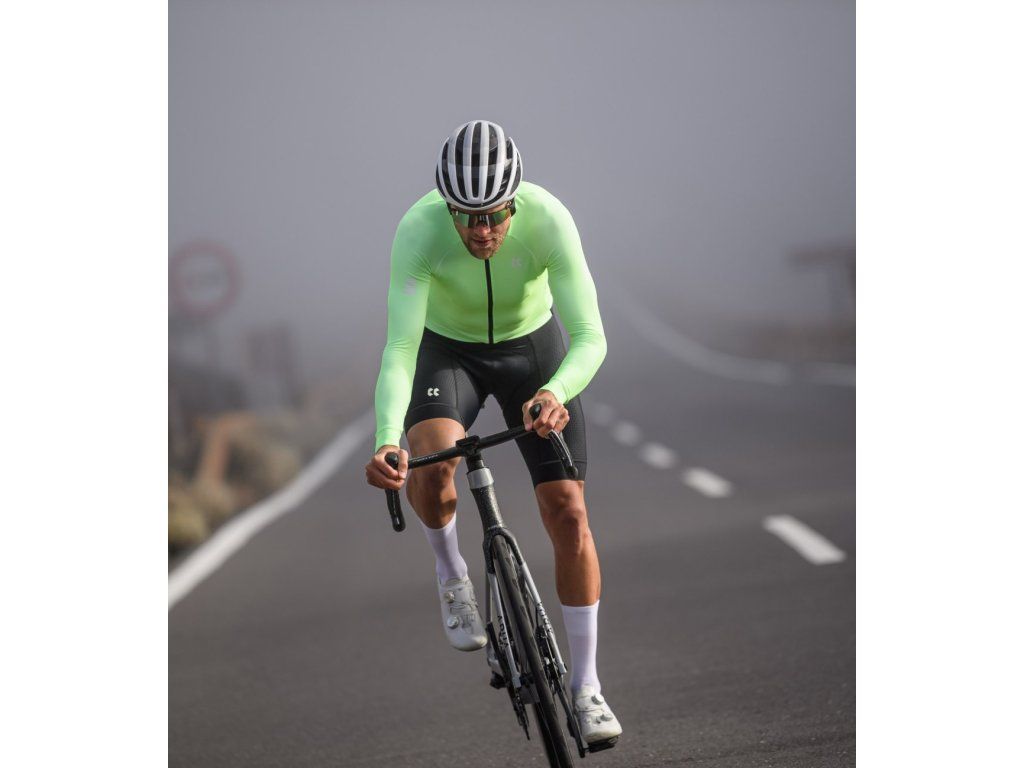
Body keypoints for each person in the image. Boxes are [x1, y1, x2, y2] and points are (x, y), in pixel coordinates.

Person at [364, 119, 622, 746]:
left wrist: (555, 392)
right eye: (467, 217)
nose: (481, 231)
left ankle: (587, 687)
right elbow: (401, 349)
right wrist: (387, 438)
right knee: (432, 460)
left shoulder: (549, 219)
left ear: (515, 201)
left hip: (532, 352)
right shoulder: (418, 229)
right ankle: (451, 572)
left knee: (568, 512)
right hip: (447, 353)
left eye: (494, 215)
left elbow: (590, 336)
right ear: (447, 207)